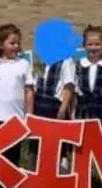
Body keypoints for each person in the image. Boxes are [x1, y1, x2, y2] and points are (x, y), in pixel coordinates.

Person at [0, 23, 34, 177]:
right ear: (0, 44)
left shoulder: (24, 65)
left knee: (13, 152)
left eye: (18, 43)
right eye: (12, 43)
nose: (16, 46)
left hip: (15, 117)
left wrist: (29, 115)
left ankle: (11, 178)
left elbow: (29, 91)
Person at [30, 41, 74, 171]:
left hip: (55, 105)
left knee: (57, 140)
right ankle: (34, 170)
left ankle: (61, 170)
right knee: (36, 140)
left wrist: (63, 108)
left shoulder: (66, 61)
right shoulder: (39, 60)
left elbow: (69, 86)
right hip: (38, 102)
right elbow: (34, 82)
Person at [72, 24, 102, 138]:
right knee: (83, 142)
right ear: (84, 45)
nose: (93, 48)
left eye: (97, 44)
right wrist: (73, 114)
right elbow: (75, 94)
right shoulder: (77, 65)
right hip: (83, 111)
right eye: (90, 44)